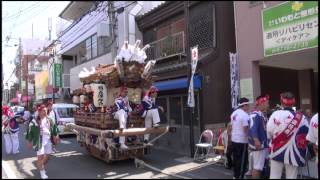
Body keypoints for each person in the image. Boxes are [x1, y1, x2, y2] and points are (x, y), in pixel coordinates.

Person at [267, 92, 309, 179]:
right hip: (294, 152)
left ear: (281, 103)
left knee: (274, 176)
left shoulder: (275, 114)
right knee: (291, 177)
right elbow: (306, 135)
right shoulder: (302, 118)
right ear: (293, 102)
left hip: (276, 150)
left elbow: (269, 132)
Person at [26, 104, 60, 179]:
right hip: (39, 141)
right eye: (43, 111)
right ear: (39, 112)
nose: (45, 112)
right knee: (40, 157)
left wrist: (56, 136)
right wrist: (29, 141)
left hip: (47, 140)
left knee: (48, 156)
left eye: (46, 111)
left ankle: (40, 165)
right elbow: (30, 131)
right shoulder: (34, 121)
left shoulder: (50, 119)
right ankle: (42, 171)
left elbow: (54, 129)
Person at [248, 95, 270, 178]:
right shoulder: (255, 115)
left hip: (263, 144)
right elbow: (252, 128)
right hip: (259, 144)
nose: (268, 105)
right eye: (267, 103)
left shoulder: (260, 114)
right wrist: (256, 140)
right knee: (257, 167)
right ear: (262, 103)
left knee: (260, 166)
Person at [230, 97, 250, 179]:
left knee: (236, 159)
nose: (248, 107)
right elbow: (246, 129)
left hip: (234, 139)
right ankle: (240, 176)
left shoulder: (234, 113)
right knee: (242, 161)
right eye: (248, 105)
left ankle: (235, 175)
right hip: (242, 141)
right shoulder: (245, 115)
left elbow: (231, 126)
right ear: (244, 105)